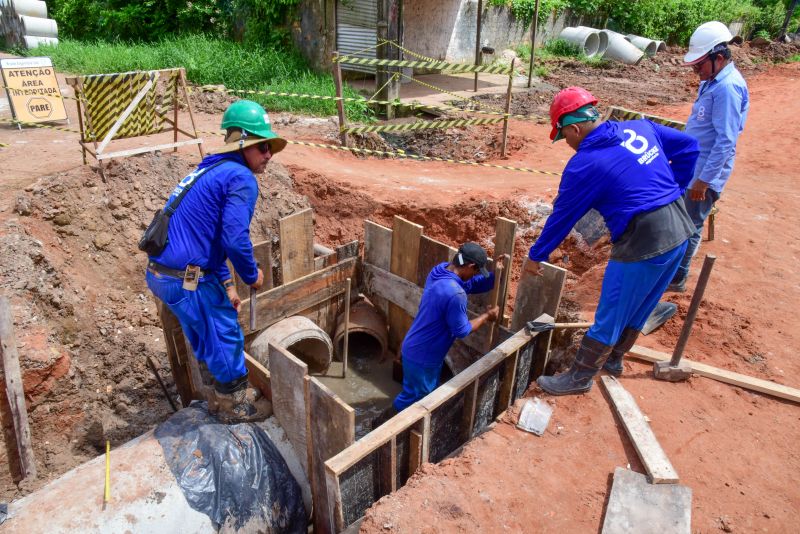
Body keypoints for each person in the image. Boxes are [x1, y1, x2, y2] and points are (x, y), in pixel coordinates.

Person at [530, 87, 700, 396]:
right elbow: (689, 146)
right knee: (643, 304)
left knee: (610, 312)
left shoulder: (585, 164)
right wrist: (673, 187)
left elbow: (562, 218)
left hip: (644, 238)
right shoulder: (640, 127)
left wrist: (536, 256)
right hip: (680, 228)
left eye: (564, 137)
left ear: (574, 128)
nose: (566, 144)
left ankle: (579, 378)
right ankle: (615, 360)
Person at [145, 100, 286, 423]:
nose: (268, 155)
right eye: (262, 146)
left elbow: (209, 238)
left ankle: (215, 395)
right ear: (241, 142)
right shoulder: (240, 178)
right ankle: (234, 405)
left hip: (165, 274)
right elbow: (234, 240)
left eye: (271, 149)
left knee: (206, 335)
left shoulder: (208, 169)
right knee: (224, 334)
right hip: (187, 278)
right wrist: (251, 275)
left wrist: (226, 284)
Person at [668, 21, 749, 292]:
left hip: (703, 174)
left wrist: (703, 181)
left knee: (689, 226)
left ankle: (677, 278)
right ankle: (673, 271)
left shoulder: (727, 88)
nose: (696, 71)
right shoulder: (714, 81)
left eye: (699, 65)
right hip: (694, 167)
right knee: (681, 221)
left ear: (719, 57)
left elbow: (726, 140)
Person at [392, 243, 500, 412]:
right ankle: (388, 429)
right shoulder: (456, 294)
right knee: (416, 403)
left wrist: (496, 275)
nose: (476, 275)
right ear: (470, 266)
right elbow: (462, 330)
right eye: (477, 271)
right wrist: (487, 316)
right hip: (424, 359)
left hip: (413, 347)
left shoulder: (439, 271)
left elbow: (470, 283)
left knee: (416, 395)